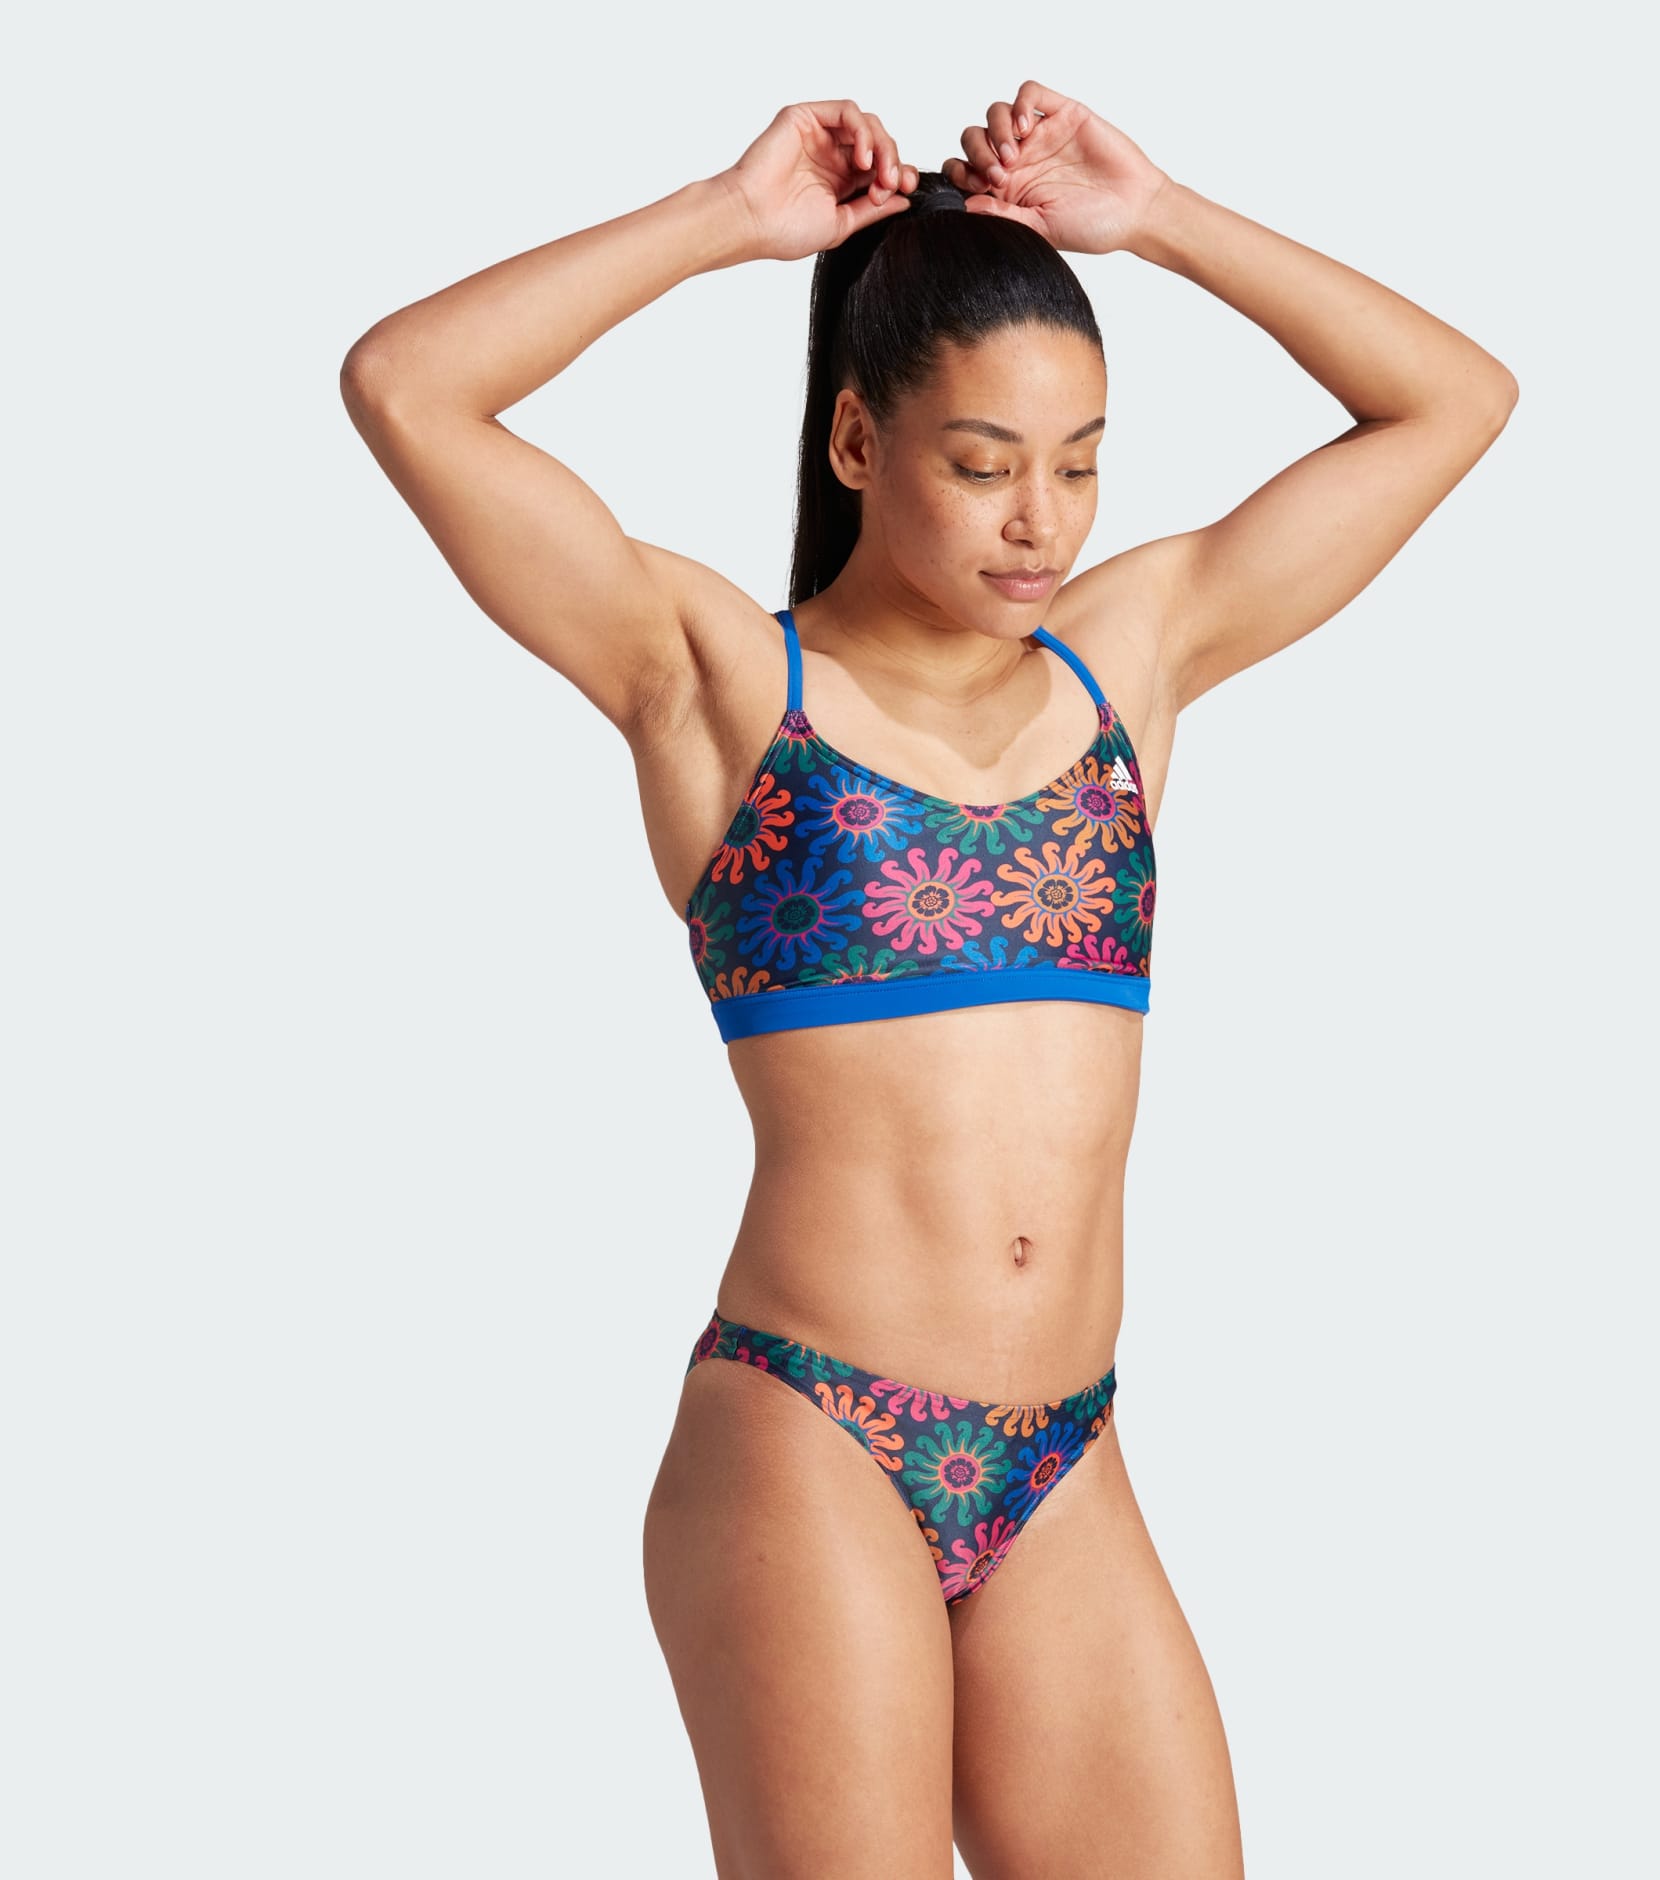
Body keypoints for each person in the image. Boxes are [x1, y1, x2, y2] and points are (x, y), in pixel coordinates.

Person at [340, 81, 1516, 1880]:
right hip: (810, 1432)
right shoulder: (719, 680)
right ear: (855, 440)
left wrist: (1162, 216)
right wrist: (727, 220)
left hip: (1064, 1460)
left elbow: (1458, 400)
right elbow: (407, 386)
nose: (1040, 521)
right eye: (981, 463)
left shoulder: (1130, 661)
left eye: (1079, 463)